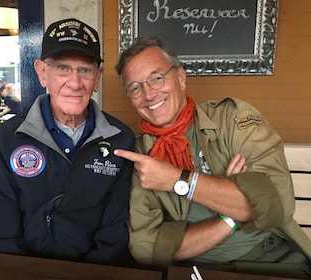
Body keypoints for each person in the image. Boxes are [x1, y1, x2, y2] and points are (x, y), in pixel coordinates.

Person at [114, 36, 311, 278]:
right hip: (195, 271)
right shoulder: (141, 155)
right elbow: (146, 248)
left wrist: (177, 179)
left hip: (271, 261)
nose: (148, 94)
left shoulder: (231, 121)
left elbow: (277, 205)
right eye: (135, 87)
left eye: (157, 78)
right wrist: (230, 217)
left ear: (181, 78)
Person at [0, 18, 135, 265]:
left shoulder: (120, 139)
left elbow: (114, 233)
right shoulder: (9, 137)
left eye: (85, 70)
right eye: (62, 68)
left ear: (97, 78)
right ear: (42, 73)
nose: (75, 82)